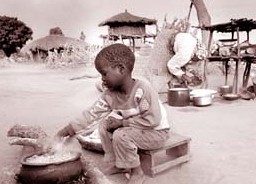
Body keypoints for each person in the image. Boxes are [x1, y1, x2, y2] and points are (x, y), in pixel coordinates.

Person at [54, 43, 170, 184]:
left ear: (121, 69)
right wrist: (66, 131)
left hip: (156, 132)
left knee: (121, 134)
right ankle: (117, 164)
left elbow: (153, 120)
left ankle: (137, 172)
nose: (102, 79)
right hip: (136, 129)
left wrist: (122, 123)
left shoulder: (143, 90)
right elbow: (91, 114)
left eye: (104, 73)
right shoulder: (110, 95)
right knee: (104, 125)